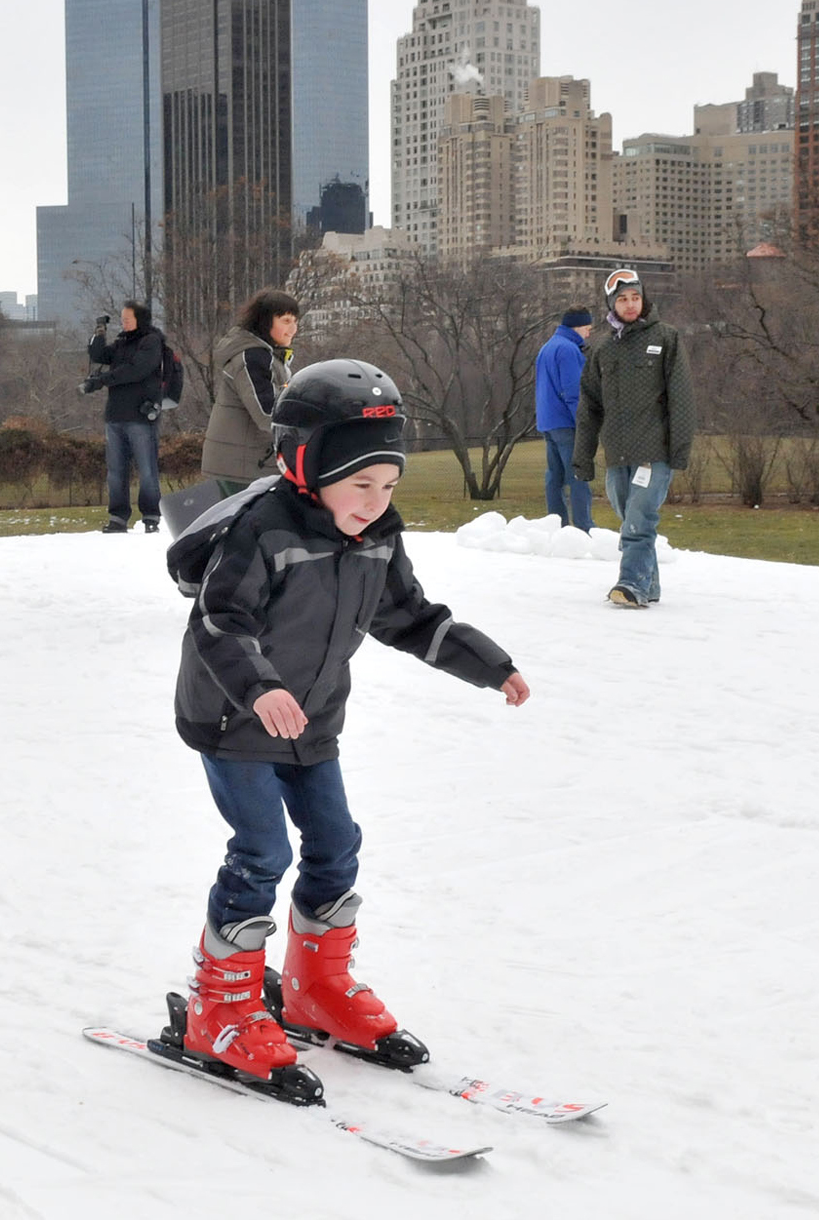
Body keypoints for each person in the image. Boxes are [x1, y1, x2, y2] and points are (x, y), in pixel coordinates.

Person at [162, 358, 530, 1088]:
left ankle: (314, 986)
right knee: (262, 849)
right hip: (236, 717)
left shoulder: (377, 538)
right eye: (360, 482)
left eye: (389, 483)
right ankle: (220, 1004)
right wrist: (260, 687)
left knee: (335, 843)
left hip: (314, 722)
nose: (375, 499)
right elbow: (218, 621)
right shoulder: (261, 531)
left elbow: (412, 618)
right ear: (306, 464)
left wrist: (490, 664)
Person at [573, 269, 695, 608]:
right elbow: (589, 409)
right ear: (612, 303)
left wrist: (680, 449)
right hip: (617, 453)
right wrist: (583, 458)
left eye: (635, 297)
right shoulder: (601, 350)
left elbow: (681, 397)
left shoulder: (666, 338)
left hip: (654, 451)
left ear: (644, 299)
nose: (630, 304)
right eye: (623, 299)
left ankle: (630, 584)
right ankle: (648, 585)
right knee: (629, 518)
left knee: (639, 521)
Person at [201, 288, 298, 493]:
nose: (293, 329)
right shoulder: (253, 357)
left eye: (295, 321)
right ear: (265, 321)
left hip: (249, 461)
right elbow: (266, 414)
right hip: (242, 465)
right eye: (286, 321)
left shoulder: (268, 356)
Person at [84, 300, 166, 533]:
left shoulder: (151, 342)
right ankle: (118, 517)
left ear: (140, 319)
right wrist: (99, 332)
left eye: (128, 318)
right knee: (116, 470)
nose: (124, 322)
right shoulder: (121, 343)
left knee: (146, 468)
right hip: (116, 415)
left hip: (140, 415)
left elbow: (136, 370)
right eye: (122, 319)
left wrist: (102, 381)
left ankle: (151, 515)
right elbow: (98, 354)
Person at [536, 308, 596, 531]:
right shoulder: (569, 350)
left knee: (555, 477)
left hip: (548, 421)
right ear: (578, 326)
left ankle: (557, 524)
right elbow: (573, 392)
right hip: (567, 422)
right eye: (588, 329)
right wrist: (584, 423)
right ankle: (584, 526)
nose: (588, 334)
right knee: (578, 475)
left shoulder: (547, 347)